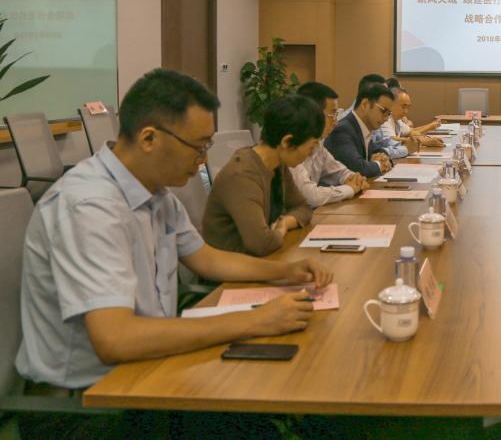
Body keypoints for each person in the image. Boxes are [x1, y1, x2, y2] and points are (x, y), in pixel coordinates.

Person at [16, 69, 331, 419]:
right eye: (198, 147)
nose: (203, 161)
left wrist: (286, 272)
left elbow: (207, 259)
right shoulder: (90, 207)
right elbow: (115, 338)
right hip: (87, 406)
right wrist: (256, 321)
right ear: (149, 138)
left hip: (146, 373)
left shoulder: (156, 194)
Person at [203, 95, 322, 257]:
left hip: (261, 259)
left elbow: (303, 208)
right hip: (231, 267)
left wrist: (285, 223)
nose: (311, 154)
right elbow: (262, 243)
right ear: (287, 142)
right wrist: (280, 231)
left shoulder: (278, 164)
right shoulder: (242, 176)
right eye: (311, 147)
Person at [290, 81, 369, 208]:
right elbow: (310, 197)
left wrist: (354, 178)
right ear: (312, 113)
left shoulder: (318, 146)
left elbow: (339, 172)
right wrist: (350, 189)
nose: (335, 122)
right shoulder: (291, 146)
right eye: (332, 114)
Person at [324, 82, 395, 177]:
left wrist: (384, 159)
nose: (386, 119)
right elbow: (358, 168)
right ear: (365, 104)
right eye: (384, 111)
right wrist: (379, 165)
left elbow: (379, 151)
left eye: (388, 114)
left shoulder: (362, 128)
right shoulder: (342, 130)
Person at [380, 87, 445, 152]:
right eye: (403, 107)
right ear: (391, 103)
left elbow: (410, 132)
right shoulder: (385, 119)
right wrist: (423, 141)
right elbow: (390, 140)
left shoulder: (397, 120)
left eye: (408, 108)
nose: (406, 112)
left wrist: (419, 136)